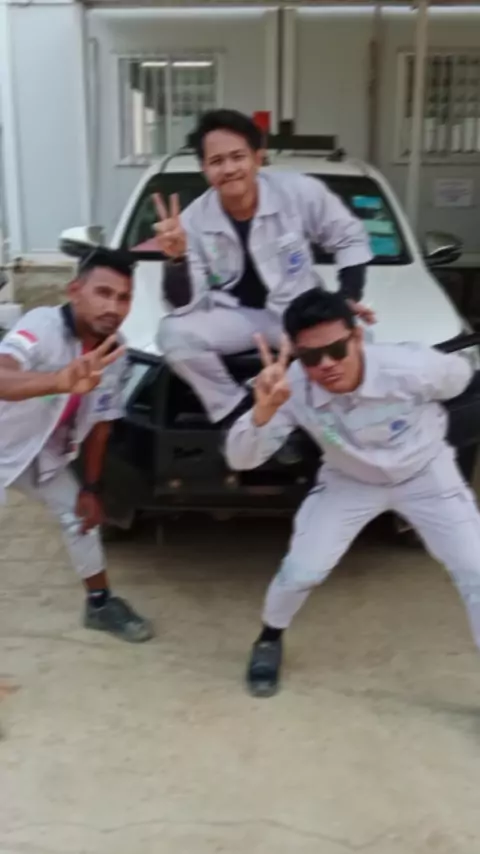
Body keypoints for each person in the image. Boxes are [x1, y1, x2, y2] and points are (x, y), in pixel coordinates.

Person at [225, 287, 480, 697]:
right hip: (350, 480)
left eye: (336, 349)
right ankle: (269, 638)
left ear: (357, 336)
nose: (326, 364)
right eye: (311, 356)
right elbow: (240, 458)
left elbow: (461, 378)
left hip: (426, 475)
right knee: (302, 571)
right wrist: (263, 412)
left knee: (475, 569)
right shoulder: (290, 387)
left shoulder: (410, 366)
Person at [154, 108, 373, 426]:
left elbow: (349, 237)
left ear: (258, 158)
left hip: (299, 311)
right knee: (173, 334)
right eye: (216, 161)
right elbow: (184, 305)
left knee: (364, 343)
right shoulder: (192, 222)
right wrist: (176, 258)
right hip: (237, 316)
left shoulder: (298, 192)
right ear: (204, 168)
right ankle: (238, 411)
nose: (229, 169)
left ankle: (348, 422)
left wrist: (348, 296)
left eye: (237, 157)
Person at [0, 248, 154, 643]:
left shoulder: (115, 352)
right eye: (103, 293)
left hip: (42, 450)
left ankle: (100, 604)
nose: (113, 307)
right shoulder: (42, 326)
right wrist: (57, 381)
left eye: (123, 298)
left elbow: (101, 424)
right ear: (75, 291)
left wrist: (91, 487)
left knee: (79, 516)